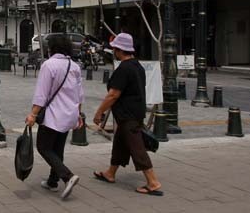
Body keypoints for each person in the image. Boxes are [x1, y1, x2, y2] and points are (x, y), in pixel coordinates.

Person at [93, 33, 163, 196]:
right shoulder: (137, 66)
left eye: (115, 49)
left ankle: (153, 182)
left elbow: (113, 94)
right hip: (134, 112)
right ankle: (110, 173)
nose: (114, 51)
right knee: (120, 144)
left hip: (127, 115)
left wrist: (99, 112)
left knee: (137, 148)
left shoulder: (124, 68)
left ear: (119, 50)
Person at [25, 34, 84, 200]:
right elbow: (79, 94)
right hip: (69, 114)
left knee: (44, 147)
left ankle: (67, 176)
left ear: (51, 48)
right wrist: (78, 114)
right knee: (58, 148)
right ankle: (53, 181)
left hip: (53, 115)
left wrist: (33, 114)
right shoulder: (74, 66)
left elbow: (41, 94)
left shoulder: (49, 65)